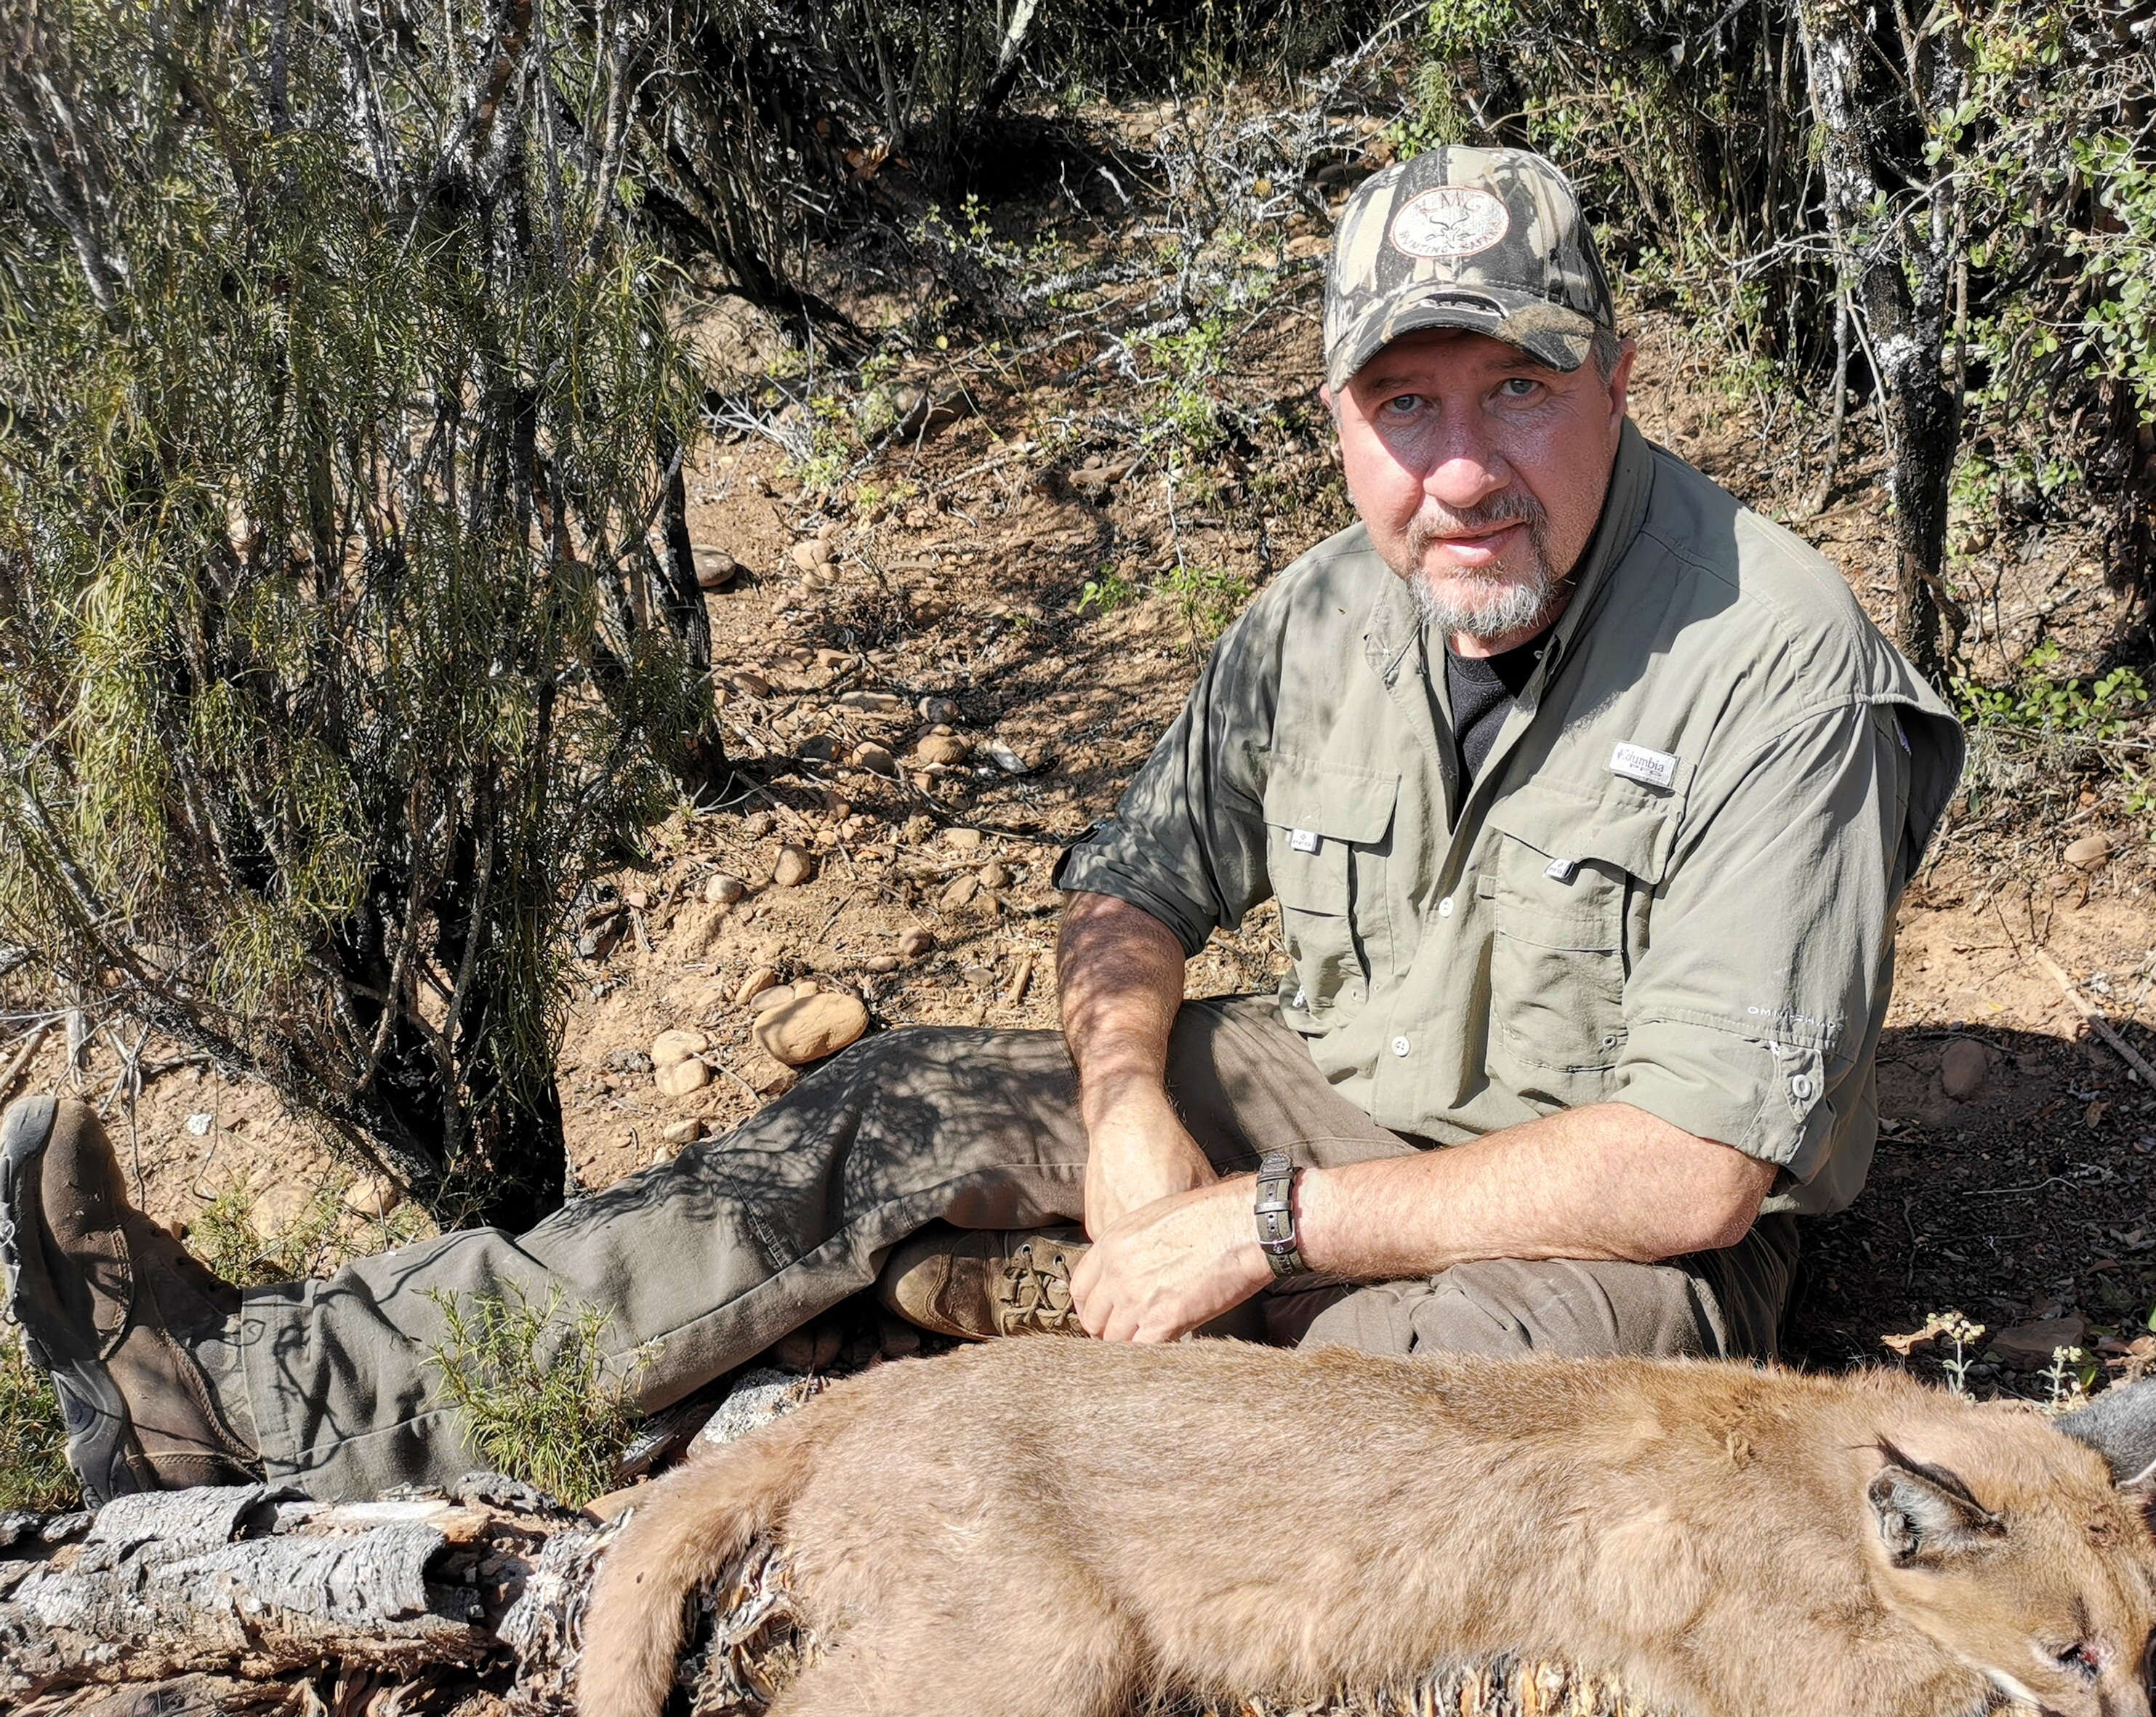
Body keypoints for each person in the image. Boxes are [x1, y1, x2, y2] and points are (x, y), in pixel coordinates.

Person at [0, 146, 1963, 1508]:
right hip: (1332, 1105)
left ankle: (1001, 1418)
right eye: (1407, 404)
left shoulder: (1775, 656)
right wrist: (1125, 1117)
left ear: (1621, 384)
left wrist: (1256, 1227)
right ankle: (242, 1403)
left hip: (1596, 1242)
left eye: (1520, 391)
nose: (1462, 469)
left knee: (1396, 1419)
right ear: (1338, 422)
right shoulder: (1321, 615)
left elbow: (1697, 1171)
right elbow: (1126, 883)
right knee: (896, 1110)